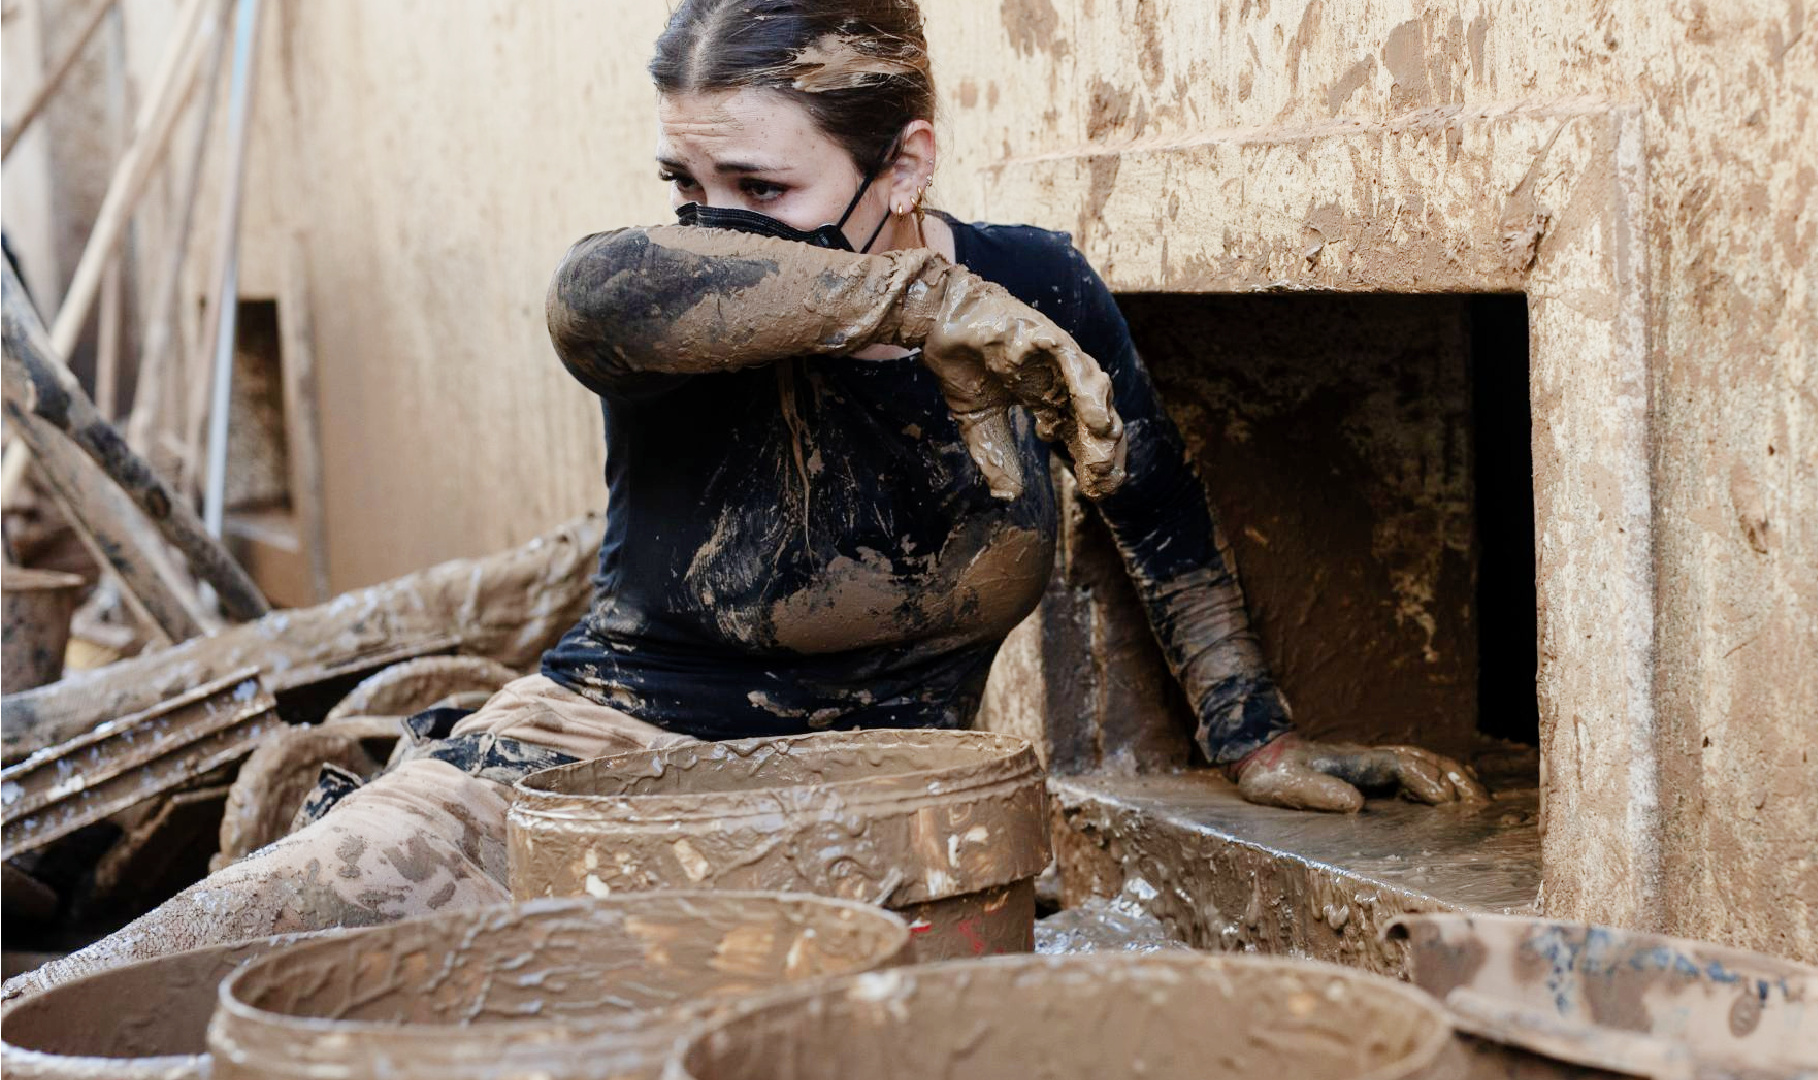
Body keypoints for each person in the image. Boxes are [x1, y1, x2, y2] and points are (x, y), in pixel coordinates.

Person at [4, 0, 1481, 996]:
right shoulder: (688, 300)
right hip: (572, 772)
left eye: (759, 187)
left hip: (873, 824)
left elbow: (1154, 511)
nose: (709, 216)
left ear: (904, 161)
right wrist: (904, 299)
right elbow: (598, 295)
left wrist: (1256, 734)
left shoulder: (1038, 289)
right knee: (128, 1009)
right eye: (680, 173)